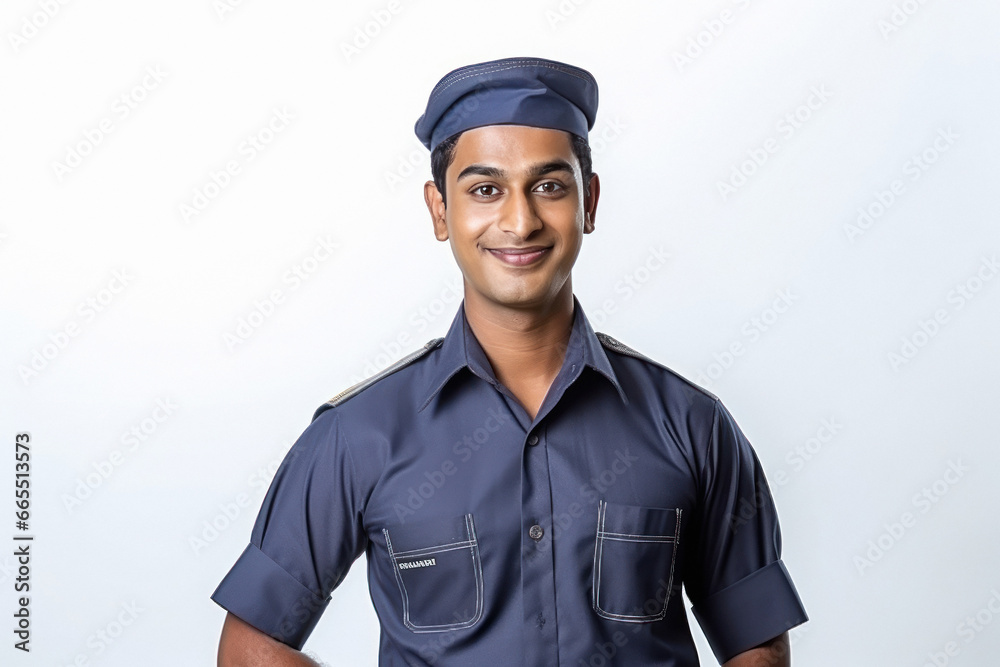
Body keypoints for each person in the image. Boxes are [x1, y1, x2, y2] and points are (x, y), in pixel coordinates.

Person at [211, 56, 808, 666]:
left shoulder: (692, 426)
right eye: (485, 190)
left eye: (549, 186)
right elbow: (250, 647)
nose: (519, 222)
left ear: (590, 202)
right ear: (440, 210)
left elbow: (755, 644)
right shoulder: (357, 435)